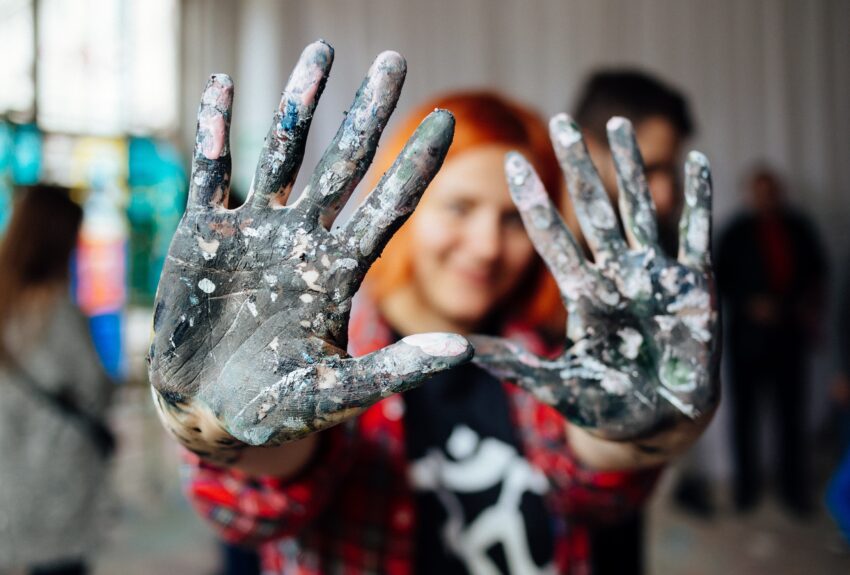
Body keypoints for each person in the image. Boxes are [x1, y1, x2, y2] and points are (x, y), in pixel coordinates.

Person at [148, 41, 717, 574]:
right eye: (460, 207)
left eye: (513, 219)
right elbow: (267, 501)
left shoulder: (542, 357)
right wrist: (218, 431)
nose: (487, 246)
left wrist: (638, 436)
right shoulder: (327, 356)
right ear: (403, 205)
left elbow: (586, 480)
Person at [569, 68, 698, 573]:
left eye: (673, 171)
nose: (664, 195)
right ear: (585, 148)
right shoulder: (509, 260)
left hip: (621, 494)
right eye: (649, 168)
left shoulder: (655, 256)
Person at [0, 185, 114, 575]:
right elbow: (94, 388)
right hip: (56, 481)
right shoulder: (56, 310)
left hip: (10, 476)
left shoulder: (6, 302)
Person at [717, 166, 827, 516]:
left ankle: (794, 489)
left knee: (791, 417)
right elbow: (717, 279)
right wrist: (751, 304)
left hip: (789, 336)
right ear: (750, 194)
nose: (766, 198)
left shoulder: (799, 228)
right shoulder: (735, 232)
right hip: (747, 339)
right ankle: (746, 489)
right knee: (745, 417)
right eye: (759, 191)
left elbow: (818, 272)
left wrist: (803, 307)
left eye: (771, 190)